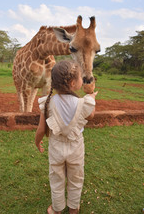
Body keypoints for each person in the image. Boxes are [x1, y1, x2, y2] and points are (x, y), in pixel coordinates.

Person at [35, 60, 98, 214]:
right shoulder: (83, 103)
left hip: (56, 147)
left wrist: (37, 142)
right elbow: (90, 116)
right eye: (80, 78)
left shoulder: (48, 102)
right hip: (76, 147)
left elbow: (41, 128)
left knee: (56, 179)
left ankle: (56, 210)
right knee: (76, 179)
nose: (82, 80)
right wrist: (91, 96)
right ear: (72, 83)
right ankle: (73, 208)